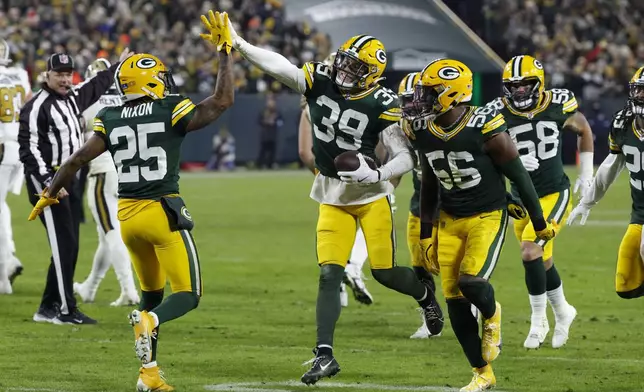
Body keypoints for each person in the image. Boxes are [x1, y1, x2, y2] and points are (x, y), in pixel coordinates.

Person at [223, 17, 444, 384]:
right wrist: (240, 44)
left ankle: (425, 296)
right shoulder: (320, 80)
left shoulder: (382, 102)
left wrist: (378, 175)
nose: (343, 69)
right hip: (332, 192)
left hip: (371, 194)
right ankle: (324, 354)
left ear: (372, 74)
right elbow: (281, 66)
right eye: (344, 60)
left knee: (385, 273)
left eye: (355, 66)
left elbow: (405, 156)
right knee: (329, 274)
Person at [28, 10, 234, 391]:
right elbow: (222, 101)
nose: (164, 83)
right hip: (161, 213)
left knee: (150, 299)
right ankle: (151, 325)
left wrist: (48, 194)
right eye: (159, 78)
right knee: (187, 296)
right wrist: (225, 53)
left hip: (128, 219)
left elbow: (76, 159)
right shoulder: (168, 107)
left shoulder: (110, 115)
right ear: (149, 82)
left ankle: (149, 376)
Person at [401, 58, 557, 391]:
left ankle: (492, 312)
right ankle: (482, 372)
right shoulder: (424, 130)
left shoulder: (484, 127)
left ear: (453, 94)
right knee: (454, 300)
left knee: (471, 283)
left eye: (430, 93)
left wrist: (540, 222)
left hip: (486, 215)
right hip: (448, 219)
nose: (421, 100)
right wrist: (426, 236)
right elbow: (428, 184)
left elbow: (519, 177)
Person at [20, 48, 133, 324]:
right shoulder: (36, 107)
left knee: (68, 245)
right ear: (46, 75)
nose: (64, 79)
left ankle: (47, 307)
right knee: (65, 245)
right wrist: (50, 183)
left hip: (71, 180)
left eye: (68, 74)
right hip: (48, 183)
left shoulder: (71, 99)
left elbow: (95, 86)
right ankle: (66, 310)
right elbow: (29, 150)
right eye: (59, 74)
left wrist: (117, 65)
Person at [487, 55, 593, 349]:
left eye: (525, 85)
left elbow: (583, 128)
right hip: (520, 195)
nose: (519, 91)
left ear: (540, 83)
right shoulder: (497, 112)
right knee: (542, 261)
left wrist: (586, 174)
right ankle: (563, 311)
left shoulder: (557, 103)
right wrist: (514, 160)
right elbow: (484, 153)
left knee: (530, 251)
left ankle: (539, 320)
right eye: (513, 86)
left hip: (553, 192)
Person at [297, 51, 375, 307]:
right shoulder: (366, 101)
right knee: (368, 225)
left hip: (329, 179)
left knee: (331, 234)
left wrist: (322, 174)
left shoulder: (313, 101)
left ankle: (337, 282)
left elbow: (304, 151)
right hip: (363, 178)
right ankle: (353, 267)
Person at [568, 66, 644, 299]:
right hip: (641, 213)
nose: (640, 96)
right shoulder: (623, 123)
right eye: (639, 91)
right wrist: (587, 202)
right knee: (626, 284)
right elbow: (612, 165)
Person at [72, 58, 140, 307]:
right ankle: (90, 286)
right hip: (127, 173)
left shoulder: (88, 100)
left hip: (102, 173)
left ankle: (129, 290)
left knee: (112, 233)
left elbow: (77, 135)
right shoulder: (126, 98)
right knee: (106, 234)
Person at [398, 71, 442, 339]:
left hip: (453, 207)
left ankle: (472, 310)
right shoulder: (406, 129)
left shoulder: (450, 124)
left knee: (456, 268)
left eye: (416, 101)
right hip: (420, 205)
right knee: (419, 265)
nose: (411, 107)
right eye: (406, 102)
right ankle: (431, 315)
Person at [0, 38, 31, 294]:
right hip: (16, 146)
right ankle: (8, 261)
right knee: (1, 205)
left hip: (1, 146)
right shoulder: (14, 77)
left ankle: (5, 269)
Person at [256, 94, 283, 169]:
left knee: (272, 150)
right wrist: (266, 121)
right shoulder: (263, 112)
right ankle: (261, 164)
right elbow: (259, 121)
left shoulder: (277, 112)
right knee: (263, 150)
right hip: (265, 134)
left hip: (273, 134)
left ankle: (271, 164)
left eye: (272, 101)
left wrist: (275, 122)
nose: (271, 103)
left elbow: (281, 122)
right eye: (269, 101)